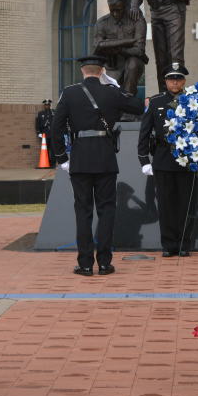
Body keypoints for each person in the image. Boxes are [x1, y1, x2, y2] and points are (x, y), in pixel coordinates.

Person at [50, 55, 143, 276]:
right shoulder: (111, 92)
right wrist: (117, 87)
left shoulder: (70, 93)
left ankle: (84, 264)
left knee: (83, 211)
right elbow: (138, 107)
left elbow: (56, 127)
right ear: (102, 71)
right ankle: (104, 262)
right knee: (107, 210)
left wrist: (62, 157)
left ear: (83, 71)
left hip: (80, 158)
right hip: (105, 158)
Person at [138, 64, 198, 257]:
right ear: (165, 81)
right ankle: (169, 245)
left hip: (188, 162)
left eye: (178, 79)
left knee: (186, 204)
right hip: (163, 160)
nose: (175, 82)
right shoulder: (155, 102)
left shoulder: (194, 101)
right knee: (166, 205)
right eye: (171, 79)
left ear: (184, 81)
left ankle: (184, 244)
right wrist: (144, 159)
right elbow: (144, 132)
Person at [93, 0, 148, 97]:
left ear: (125, 5)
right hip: (111, 65)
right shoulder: (102, 23)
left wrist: (116, 48)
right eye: (112, 10)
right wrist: (126, 42)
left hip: (132, 63)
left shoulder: (137, 20)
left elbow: (139, 50)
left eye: (119, 10)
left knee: (133, 63)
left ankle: (127, 99)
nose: (115, 13)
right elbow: (97, 46)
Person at [34, 99, 55, 167]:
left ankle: (53, 164)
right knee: (46, 150)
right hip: (44, 134)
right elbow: (37, 124)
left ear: (50, 105)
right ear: (44, 105)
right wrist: (38, 132)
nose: (47, 106)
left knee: (53, 149)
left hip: (52, 134)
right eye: (46, 105)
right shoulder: (40, 113)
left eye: (48, 105)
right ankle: (47, 163)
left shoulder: (54, 112)